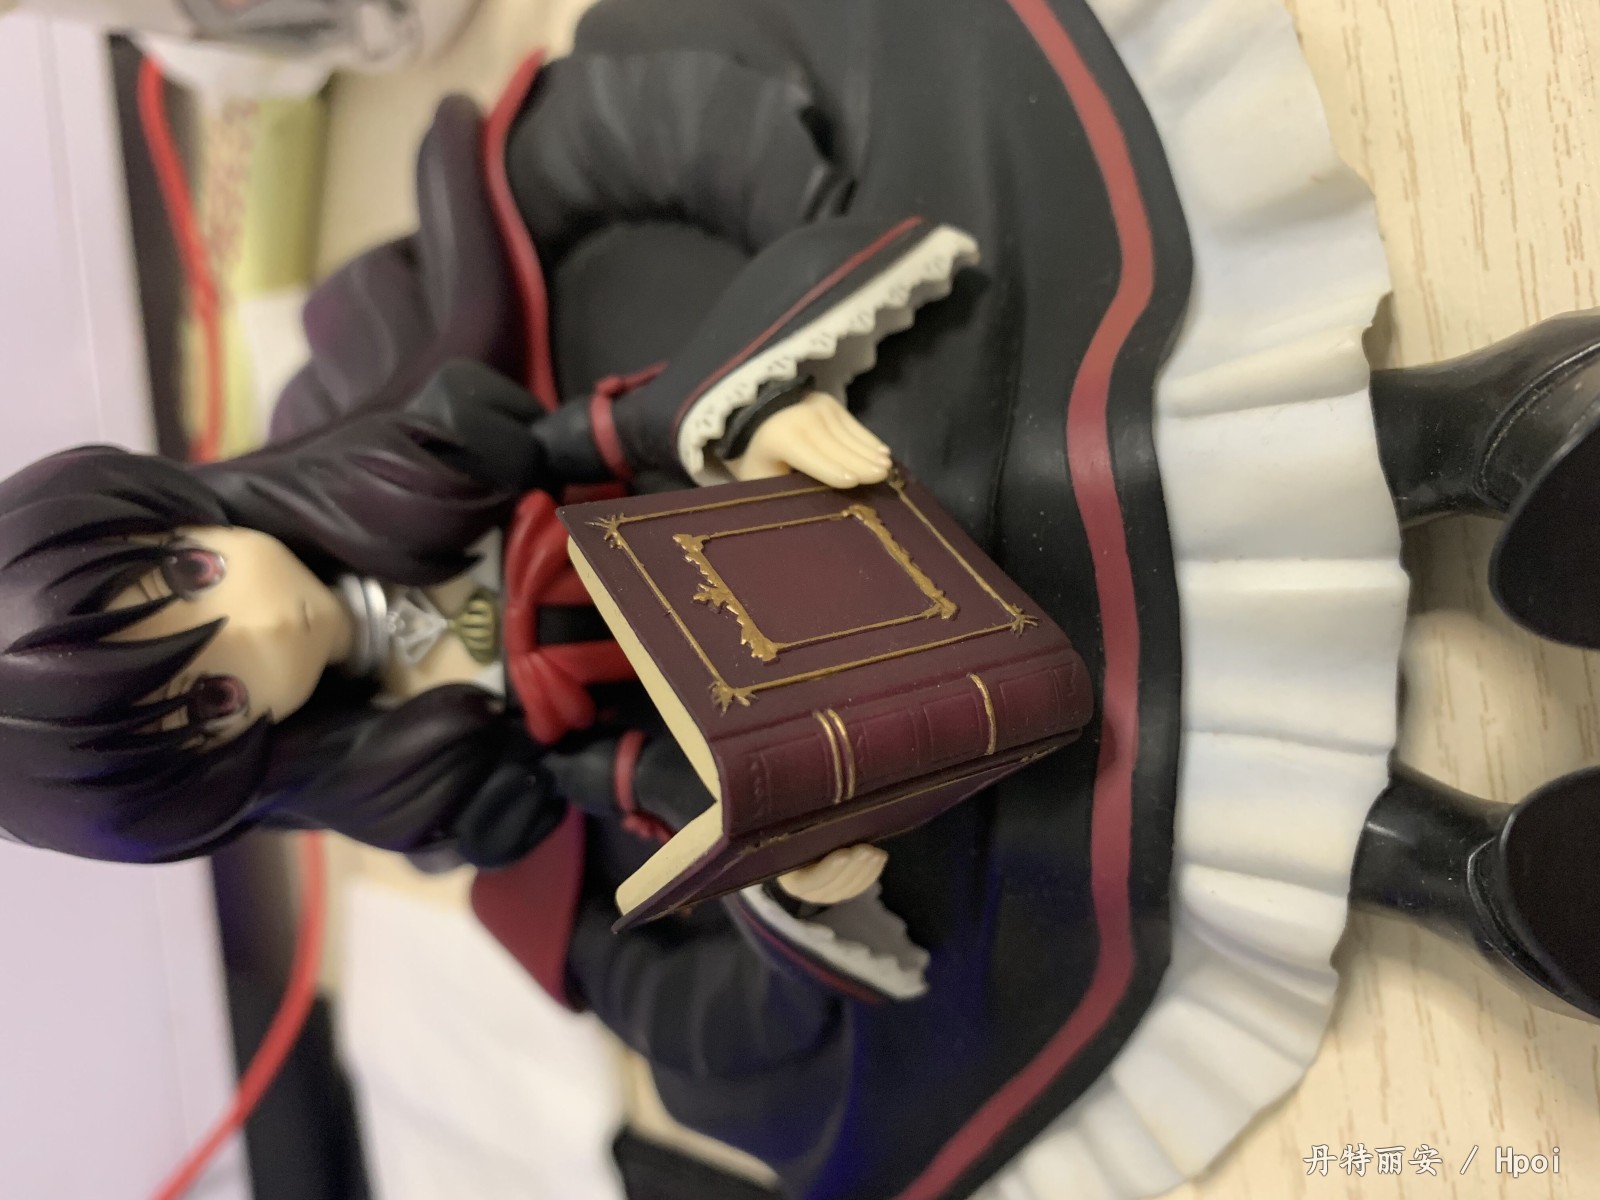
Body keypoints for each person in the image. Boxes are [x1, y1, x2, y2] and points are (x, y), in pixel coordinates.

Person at [3, 0, 1600, 1197]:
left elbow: (602, 150)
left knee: (995, 462)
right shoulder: (455, 810)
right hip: (825, 713)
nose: (261, 629)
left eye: (185, 581)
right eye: (212, 696)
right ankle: (1433, 856)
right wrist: (792, 892)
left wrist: (746, 374)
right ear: (231, 773)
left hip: (780, 420)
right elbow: (670, 1000)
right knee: (1011, 821)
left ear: (169, 506)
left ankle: (1467, 439)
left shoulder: (378, 376)